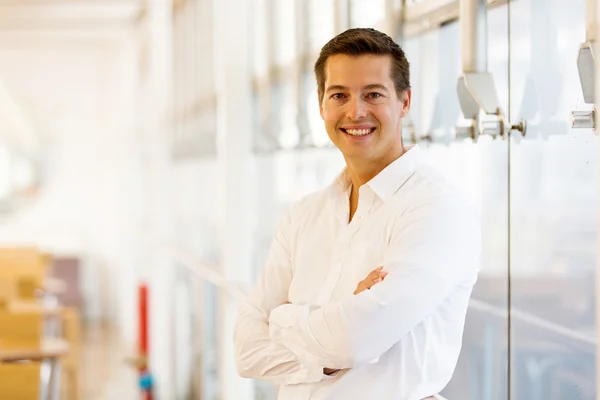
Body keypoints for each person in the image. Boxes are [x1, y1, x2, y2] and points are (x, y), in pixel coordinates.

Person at [233, 27, 480, 400]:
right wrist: (330, 357)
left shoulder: (436, 210)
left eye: (373, 94)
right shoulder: (303, 215)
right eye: (339, 95)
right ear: (321, 105)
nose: (355, 111)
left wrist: (284, 318)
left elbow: (355, 338)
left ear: (404, 102)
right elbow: (246, 351)